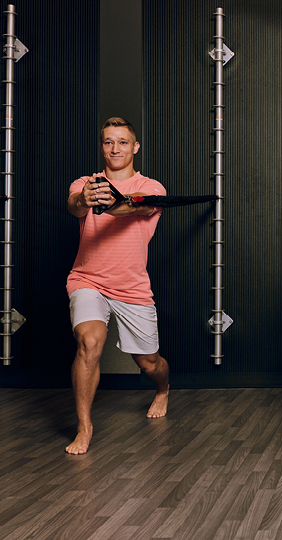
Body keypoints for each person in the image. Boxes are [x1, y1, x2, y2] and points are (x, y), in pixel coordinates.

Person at [65, 117, 169, 454]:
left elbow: (132, 208)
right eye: (109, 142)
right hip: (88, 279)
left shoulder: (153, 187)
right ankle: (84, 427)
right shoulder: (85, 183)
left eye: (122, 142)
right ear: (101, 147)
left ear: (135, 147)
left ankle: (164, 389)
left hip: (132, 287)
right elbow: (75, 206)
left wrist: (109, 201)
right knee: (89, 343)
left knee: (148, 362)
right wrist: (84, 198)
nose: (115, 148)